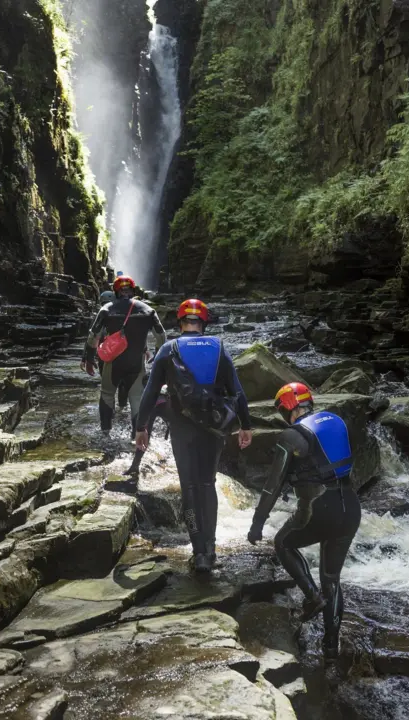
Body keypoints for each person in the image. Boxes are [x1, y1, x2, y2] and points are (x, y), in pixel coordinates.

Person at [135, 298, 253, 573]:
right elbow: (237, 392)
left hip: (182, 428)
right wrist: (246, 426)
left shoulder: (168, 349)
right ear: (204, 322)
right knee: (207, 485)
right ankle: (211, 550)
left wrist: (142, 427)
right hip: (213, 431)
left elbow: (150, 394)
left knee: (189, 487)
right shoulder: (219, 347)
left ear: (180, 322)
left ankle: (198, 552)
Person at [247, 382, 361, 662]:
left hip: (318, 507)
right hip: (350, 507)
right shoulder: (335, 420)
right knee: (332, 579)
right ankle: (331, 650)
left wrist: (257, 523)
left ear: (289, 408)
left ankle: (312, 596)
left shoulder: (292, 435)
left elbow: (272, 486)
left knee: (283, 542)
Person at [83, 275, 166, 437]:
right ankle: (137, 436)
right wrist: (157, 357)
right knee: (136, 398)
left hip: (113, 362)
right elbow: (161, 337)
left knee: (107, 393)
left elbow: (93, 337)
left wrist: (89, 358)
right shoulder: (148, 310)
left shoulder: (106, 309)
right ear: (133, 290)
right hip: (137, 362)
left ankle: (105, 433)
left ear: (116, 291)